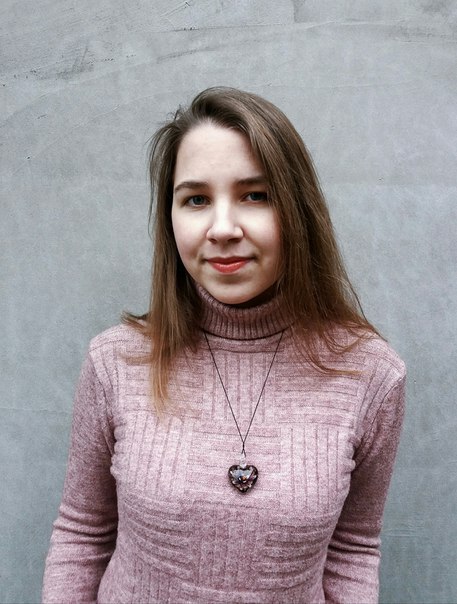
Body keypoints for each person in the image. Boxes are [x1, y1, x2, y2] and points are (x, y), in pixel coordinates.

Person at [42, 87, 406, 603]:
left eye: (255, 195)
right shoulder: (115, 362)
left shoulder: (369, 374)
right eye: (196, 200)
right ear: (170, 218)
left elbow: (353, 549)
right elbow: (82, 533)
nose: (222, 229)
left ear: (298, 208)